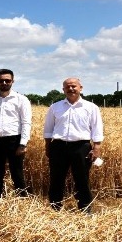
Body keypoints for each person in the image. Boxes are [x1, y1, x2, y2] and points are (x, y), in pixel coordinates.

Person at [43, 77, 103, 213]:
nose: (71, 89)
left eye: (74, 86)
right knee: (56, 178)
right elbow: (48, 128)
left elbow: (97, 129)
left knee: (82, 179)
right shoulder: (55, 107)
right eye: (67, 87)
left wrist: (97, 147)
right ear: (63, 89)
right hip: (58, 146)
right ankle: (55, 208)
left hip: (81, 147)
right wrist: (48, 146)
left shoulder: (91, 108)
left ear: (80, 88)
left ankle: (85, 209)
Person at [0, 68, 32, 198]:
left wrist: (23, 144)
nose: (4, 82)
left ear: (12, 81)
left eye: (7, 80)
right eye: (1, 80)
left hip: (14, 141)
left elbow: (26, 122)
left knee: (17, 172)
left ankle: (22, 199)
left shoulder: (21, 99)